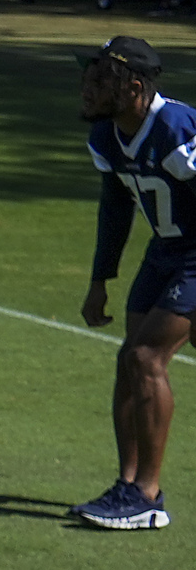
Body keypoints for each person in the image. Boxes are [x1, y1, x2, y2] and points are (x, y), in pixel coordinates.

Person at [76, 30, 186, 532]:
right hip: (164, 252)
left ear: (135, 87)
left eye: (101, 79)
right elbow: (116, 209)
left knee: (147, 359)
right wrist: (100, 280)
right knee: (129, 362)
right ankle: (128, 486)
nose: (88, 88)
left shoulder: (177, 131)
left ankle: (148, 494)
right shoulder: (107, 136)